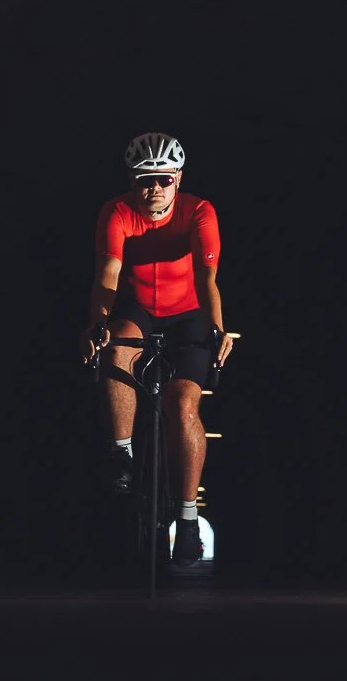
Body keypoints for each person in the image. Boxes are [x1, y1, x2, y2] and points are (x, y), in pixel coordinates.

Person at [82, 132, 236, 567]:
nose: (153, 189)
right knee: (115, 351)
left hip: (187, 311)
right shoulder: (117, 212)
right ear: (133, 182)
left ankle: (187, 520)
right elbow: (108, 273)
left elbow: (207, 283)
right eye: (144, 180)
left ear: (178, 179)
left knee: (183, 405)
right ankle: (122, 454)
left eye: (163, 180)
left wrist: (219, 329)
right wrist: (97, 324)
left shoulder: (199, 212)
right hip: (138, 308)